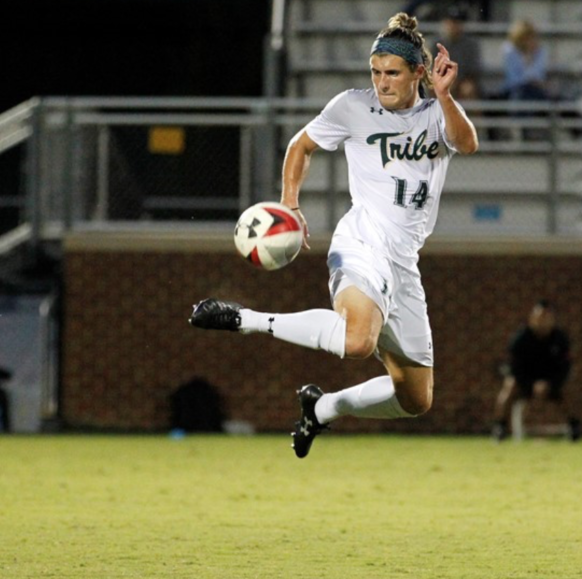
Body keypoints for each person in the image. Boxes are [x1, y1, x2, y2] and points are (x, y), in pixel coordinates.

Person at [189, 12, 478, 458]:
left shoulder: (436, 114)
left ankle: (322, 407)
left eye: (393, 73)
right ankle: (242, 319)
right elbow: (301, 145)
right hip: (362, 241)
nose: (382, 83)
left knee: (416, 399)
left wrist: (444, 98)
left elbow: (468, 143)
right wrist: (290, 203)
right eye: (376, 72)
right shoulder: (352, 106)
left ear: (418, 73)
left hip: (404, 262)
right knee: (357, 341)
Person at [492, 300, 578, 441]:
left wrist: (550, 383)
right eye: (539, 317)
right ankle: (500, 426)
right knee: (509, 386)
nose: (542, 321)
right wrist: (531, 384)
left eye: (547, 317)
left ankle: (574, 426)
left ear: (553, 319)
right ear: (532, 318)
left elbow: (565, 368)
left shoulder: (560, 339)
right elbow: (514, 368)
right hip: (525, 381)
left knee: (569, 390)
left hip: (552, 382)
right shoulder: (520, 339)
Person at [437, 6, 483, 102]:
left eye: (457, 22)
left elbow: (474, 69)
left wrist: (459, 81)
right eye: (451, 22)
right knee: (436, 87)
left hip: (463, 81)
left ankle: (468, 117)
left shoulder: (471, 44)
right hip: (442, 79)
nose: (454, 26)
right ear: (446, 23)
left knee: (468, 89)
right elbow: (432, 68)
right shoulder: (437, 44)